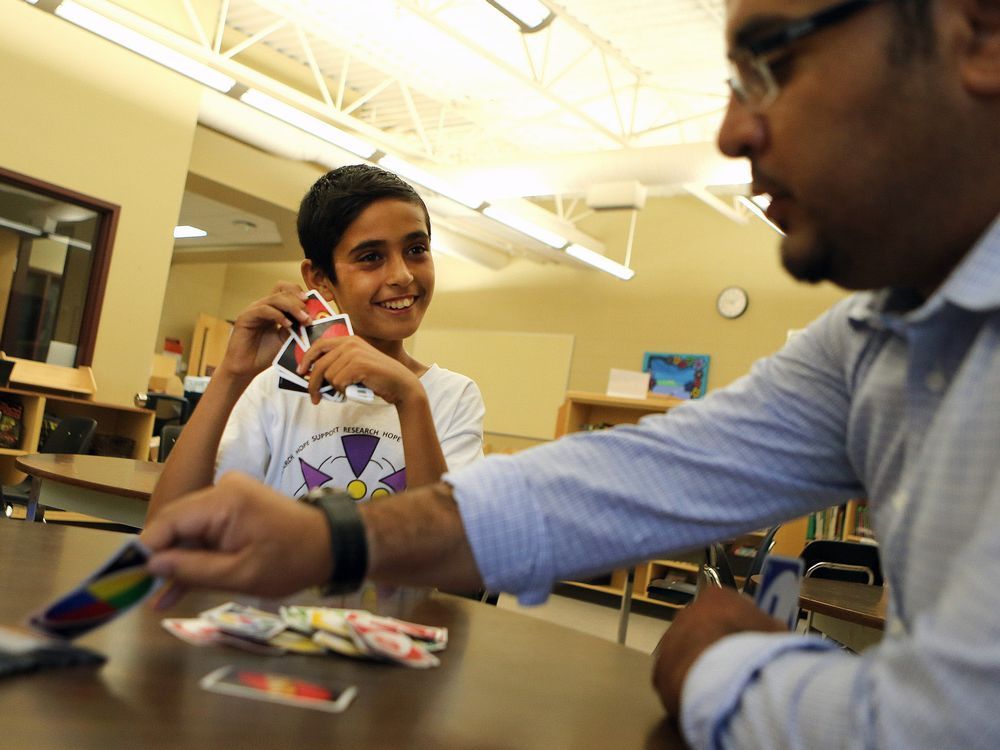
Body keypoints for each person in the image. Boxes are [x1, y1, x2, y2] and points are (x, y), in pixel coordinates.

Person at [141, 0, 1000, 746]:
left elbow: (943, 728)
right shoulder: (876, 337)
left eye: (772, 63)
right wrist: (336, 540)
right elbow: (636, 474)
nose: (732, 131)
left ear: (982, 34)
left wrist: (718, 662)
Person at [148, 164, 486, 600]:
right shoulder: (273, 388)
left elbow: (455, 573)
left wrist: (409, 398)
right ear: (320, 279)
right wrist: (233, 374)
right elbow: (164, 529)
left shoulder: (449, 396)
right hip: (269, 636)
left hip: (390, 646)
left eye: (416, 249)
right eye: (371, 257)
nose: (402, 274)